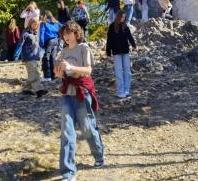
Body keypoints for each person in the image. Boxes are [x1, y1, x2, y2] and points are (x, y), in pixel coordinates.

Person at [54, 21, 105, 176]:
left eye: (69, 33)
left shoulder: (83, 48)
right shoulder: (63, 51)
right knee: (67, 132)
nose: (66, 37)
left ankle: (99, 156)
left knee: (88, 128)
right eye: (64, 34)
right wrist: (59, 73)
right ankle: (68, 172)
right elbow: (62, 73)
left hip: (83, 93)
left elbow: (88, 70)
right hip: (67, 95)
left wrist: (71, 68)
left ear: (76, 34)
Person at [106, 10, 136, 99]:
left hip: (125, 51)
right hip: (116, 53)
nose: (123, 19)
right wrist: (108, 53)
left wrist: (134, 45)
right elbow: (109, 40)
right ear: (118, 17)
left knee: (128, 72)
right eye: (122, 17)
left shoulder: (125, 26)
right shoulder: (111, 27)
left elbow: (129, 36)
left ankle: (126, 90)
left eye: (124, 17)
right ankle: (120, 92)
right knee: (119, 73)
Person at [19, 18, 47, 98]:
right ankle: (39, 90)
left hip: (36, 57)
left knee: (37, 73)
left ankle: (27, 89)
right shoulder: (26, 33)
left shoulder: (35, 33)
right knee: (33, 74)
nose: (36, 26)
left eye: (37, 25)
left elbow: (37, 46)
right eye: (34, 24)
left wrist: (39, 55)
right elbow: (20, 44)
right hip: (28, 57)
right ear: (30, 24)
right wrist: (16, 55)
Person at [40, 11, 61, 81]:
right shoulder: (56, 22)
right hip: (56, 40)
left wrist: (41, 44)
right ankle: (53, 75)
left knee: (46, 58)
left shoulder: (44, 23)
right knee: (53, 58)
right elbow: (63, 27)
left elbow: (42, 34)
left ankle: (47, 76)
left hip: (49, 41)